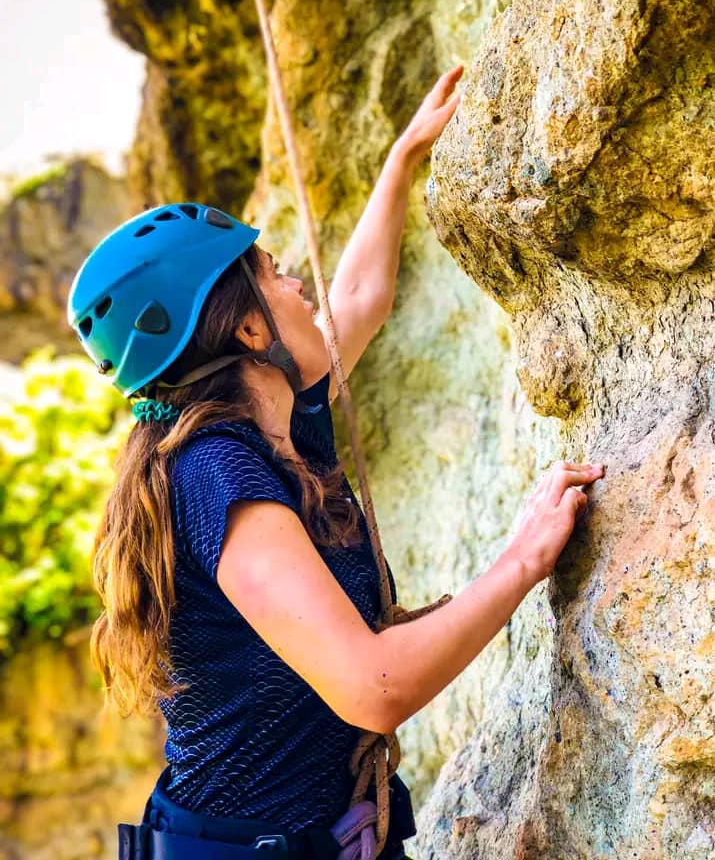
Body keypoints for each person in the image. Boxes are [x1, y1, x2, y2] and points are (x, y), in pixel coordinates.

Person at [67, 65, 604, 860]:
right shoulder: (218, 477)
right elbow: (373, 686)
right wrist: (523, 558)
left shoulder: (280, 426)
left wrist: (402, 158)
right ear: (250, 331)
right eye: (275, 274)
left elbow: (356, 298)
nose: (298, 283)